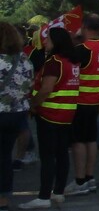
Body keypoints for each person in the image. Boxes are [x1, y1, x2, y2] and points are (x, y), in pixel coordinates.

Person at [21, 27, 80, 210]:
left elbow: (46, 89)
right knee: (62, 153)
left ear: (56, 42)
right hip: (67, 113)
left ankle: (44, 196)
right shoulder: (72, 61)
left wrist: (33, 104)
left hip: (49, 114)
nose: (44, 42)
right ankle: (59, 192)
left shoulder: (55, 62)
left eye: (48, 40)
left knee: (48, 156)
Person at [65, 14, 99, 197]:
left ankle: (79, 180)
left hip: (80, 100)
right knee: (91, 139)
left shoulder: (83, 49)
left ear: (84, 26)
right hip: (95, 99)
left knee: (78, 142)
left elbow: (69, 62)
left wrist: (74, 38)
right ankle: (90, 176)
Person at [0, 22, 33, 211]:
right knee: (5, 156)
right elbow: (29, 85)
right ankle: (3, 198)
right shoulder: (24, 60)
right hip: (16, 113)